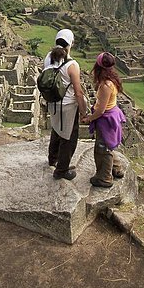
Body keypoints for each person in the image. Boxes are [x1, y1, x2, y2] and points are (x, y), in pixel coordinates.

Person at [44, 29, 87, 181]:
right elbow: (78, 92)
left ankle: (53, 159)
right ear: (71, 44)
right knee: (69, 137)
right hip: (68, 107)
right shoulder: (72, 65)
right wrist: (83, 111)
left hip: (52, 103)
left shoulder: (48, 58)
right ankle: (61, 170)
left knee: (56, 128)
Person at [82, 52, 125, 188]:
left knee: (102, 149)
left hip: (106, 119)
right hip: (111, 114)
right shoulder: (112, 80)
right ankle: (117, 169)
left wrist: (89, 118)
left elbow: (100, 110)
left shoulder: (106, 86)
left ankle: (105, 178)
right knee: (107, 146)